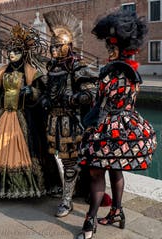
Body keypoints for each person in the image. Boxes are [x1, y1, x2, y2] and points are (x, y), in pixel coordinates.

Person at [76, 9, 157, 239]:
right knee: (114, 168)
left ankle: (90, 222)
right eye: (108, 48)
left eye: (112, 48)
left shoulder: (118, 74)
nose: (109, 52)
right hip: (122, 125)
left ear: (121, 49)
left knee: (96, 171)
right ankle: (117, 211)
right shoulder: (128, 72)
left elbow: (105, 101)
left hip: (111, 126)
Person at [0, 24, 49, 198]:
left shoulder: (31, 72)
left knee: (25, 149)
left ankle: (27, 186)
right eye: (10, 51)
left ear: (24, 52)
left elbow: (43, 93)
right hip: (3, 116)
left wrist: (32, 92)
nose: (11, 54)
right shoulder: (2, 71)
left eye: (15, 51)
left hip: (23, 116)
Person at [42, 10, 98, 217]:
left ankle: (67, 201)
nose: (53, 49)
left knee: (70, 162)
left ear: (67, 46)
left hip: (71, 122)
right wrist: (45, 98)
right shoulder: (52, 67)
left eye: (58, 46)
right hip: (53, 121)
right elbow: (48, 90)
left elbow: (91, 92)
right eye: (52, 46)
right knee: (62, 160)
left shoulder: (77, 66)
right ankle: (70, 191)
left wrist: (73, 99)